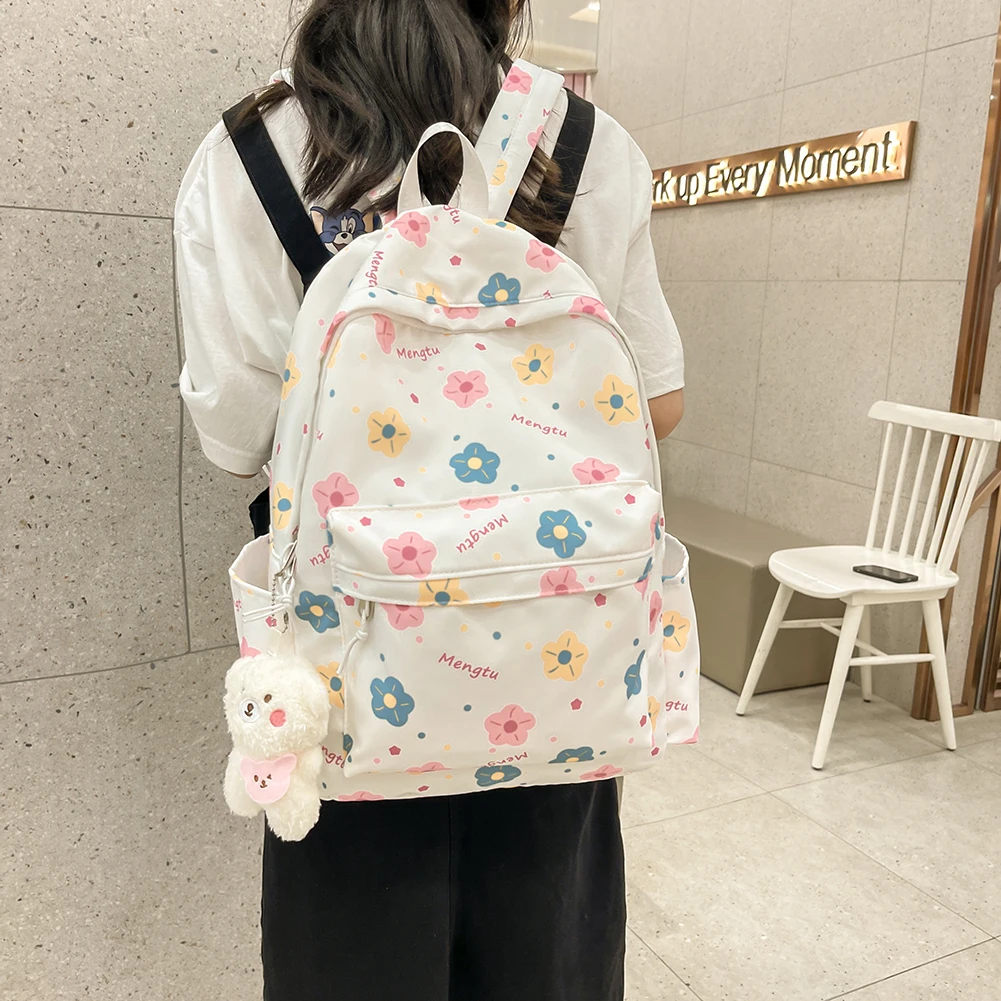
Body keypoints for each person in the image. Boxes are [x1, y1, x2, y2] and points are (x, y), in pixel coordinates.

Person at [175, 2, 685, 999]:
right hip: (553, 657)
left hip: (347, 676)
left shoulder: (249, 154)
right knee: (547, 961)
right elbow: (656, 403)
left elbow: (237, 442)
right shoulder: (584, 140)